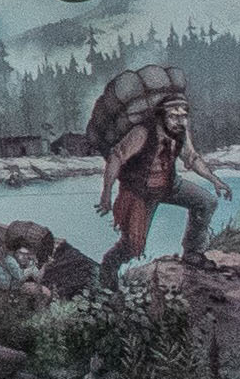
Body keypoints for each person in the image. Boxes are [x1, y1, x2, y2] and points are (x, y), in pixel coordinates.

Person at [95, 85, 230, 284]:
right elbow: (116, 156)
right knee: (133, 246)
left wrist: (215, 180)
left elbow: (191, 158)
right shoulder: (142, 132)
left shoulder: (180, 132)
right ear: (161, 116)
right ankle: (108, 272)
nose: (180, 121)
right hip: (141, 192)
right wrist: (106, 194)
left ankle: (193, 252)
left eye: (183, 116)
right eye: (174, 116)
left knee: (206, 202)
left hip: (169, 185)